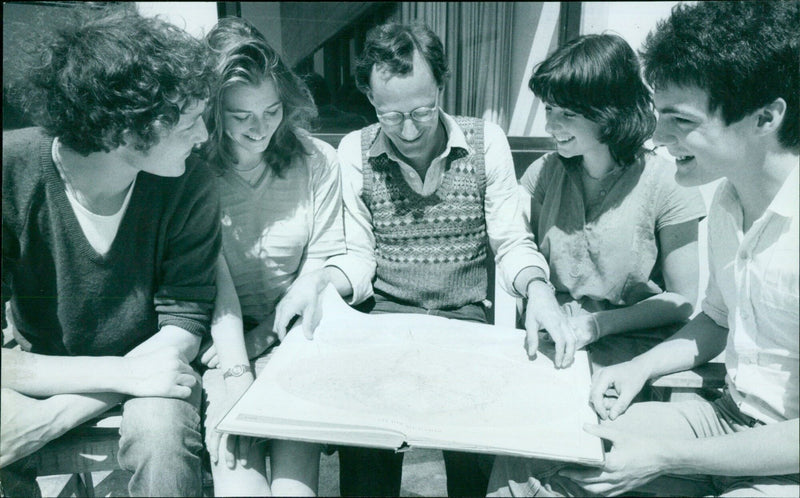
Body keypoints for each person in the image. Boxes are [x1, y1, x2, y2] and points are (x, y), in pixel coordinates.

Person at [488, 2, 799, 496]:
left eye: (680, 119)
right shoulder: (725, 201)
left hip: (785, 459)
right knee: (535, 458)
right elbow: (714, 321)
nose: (656, 134)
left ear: (765, 117)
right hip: (724, 417)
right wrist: (636, 370)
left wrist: (668, 456)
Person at [311, 22, 574, 497]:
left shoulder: (485, 140)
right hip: (384, 323)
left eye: (422, 110)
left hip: (465, 325)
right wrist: (322, 285)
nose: (409, 129)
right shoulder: (354, 150)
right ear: (371, 100)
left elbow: (511, 239)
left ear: (442, 86)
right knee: (366, 440)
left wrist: (539, 289)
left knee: (476, 446)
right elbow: (358, 257)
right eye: (391, 115)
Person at [0, 5, 219, 497]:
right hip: (49, 366)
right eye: (189, 124)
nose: (204, 138)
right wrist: (119, 376)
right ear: (127, 128)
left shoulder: (189, 183)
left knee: (161, 439)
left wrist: (50, 419)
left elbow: (184, 322)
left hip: (157, 363)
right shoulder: (11, 172)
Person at [197, 17, 346, 496]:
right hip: (217, 349)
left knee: (295, 491)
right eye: (241, 116)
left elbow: (321, 259)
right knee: (241, 486)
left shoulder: (317, 160)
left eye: (273, 110)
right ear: (211, 112)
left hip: (292, 344)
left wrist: (268, 335)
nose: (260, 129)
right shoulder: (190, 169)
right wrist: (240, 364)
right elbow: (206, 281)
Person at [518, 33, 705, 374]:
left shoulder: (667, 183)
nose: (550, 125)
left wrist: (597, 325)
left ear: (608, 112)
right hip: (552, 346)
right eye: (548, 108)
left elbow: (681, 302)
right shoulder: (543, 173)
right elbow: (519, 255)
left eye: (568, 113)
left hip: (633, 356)